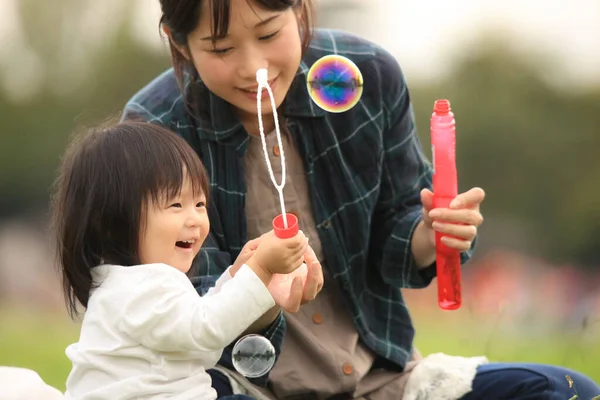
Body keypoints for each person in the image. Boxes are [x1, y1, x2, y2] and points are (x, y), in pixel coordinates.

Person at [120, 0, 600, 398]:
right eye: (221, 48)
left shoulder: (370, 78)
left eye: (268, 35)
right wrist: (258, 288)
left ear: (301, 8)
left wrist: (429, 235)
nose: (254, 68)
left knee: (566, 389)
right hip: (239, 386)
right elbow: (181, 309)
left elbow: (397, 231)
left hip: (380, 378)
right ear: (177, 42)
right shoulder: (154, 129)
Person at [51, 120, 315, 400]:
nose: (195, 220)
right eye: (176, 204)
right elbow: (205, 330)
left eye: (200, 204)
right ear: (111, 221)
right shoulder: (138, 289)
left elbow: (196, 345)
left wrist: (236, 277)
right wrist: (259, 269)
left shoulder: (132, 283)